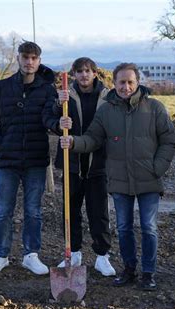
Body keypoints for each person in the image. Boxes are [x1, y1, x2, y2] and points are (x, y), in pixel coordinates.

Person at [59, 63, 175, 291]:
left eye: (130, 82)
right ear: (114, 83)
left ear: (138, 82)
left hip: (149, 180)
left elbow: (169, 140)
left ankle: (149, 273)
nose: (126, 87)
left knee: (149, 227)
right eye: (121, 82)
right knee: (123, 227)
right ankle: (129, 269)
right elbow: (93, 138)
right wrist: (74, 142)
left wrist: (158, 168)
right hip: (120, 181)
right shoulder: (106, 111)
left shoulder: (154, 108)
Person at [0, 41, 59, 275]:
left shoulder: (47, 90)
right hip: (7, 161)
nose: (29, 61)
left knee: (33, 210)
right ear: (18, 59)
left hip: (35, 160)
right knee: (4, 210)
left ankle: (30, 255)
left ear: (39, 61)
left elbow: (50, 118)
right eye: (25, 57)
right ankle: (0, 255)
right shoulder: (0, 88)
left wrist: (59, 122)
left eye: (34, 58)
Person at [54, 57, 115, 276]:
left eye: (88, 71)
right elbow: (50, 120)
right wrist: (57, 116)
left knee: (98, 212)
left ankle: (102, 256)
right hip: (72, 164)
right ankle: (74, 252)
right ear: (74, 75)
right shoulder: (65, 96)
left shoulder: (107, 97)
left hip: (98, 163)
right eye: (79, 71)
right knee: (70, 210)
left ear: (95, 73)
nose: (84, 75)